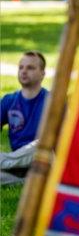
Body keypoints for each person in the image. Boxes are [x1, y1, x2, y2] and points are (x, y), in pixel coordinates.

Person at [1, 51, 48, 185]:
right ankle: (25, 181)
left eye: (30, 68)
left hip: (45, 160)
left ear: (42, 74)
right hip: (18, 164)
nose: (24, 71)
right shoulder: (8, 101)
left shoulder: (53, 102)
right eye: (21, 67)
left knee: (43, 145)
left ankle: (4, 162)